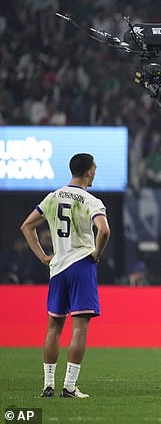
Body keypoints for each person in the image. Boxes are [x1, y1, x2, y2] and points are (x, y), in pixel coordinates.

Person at [20, 153, 111, 398]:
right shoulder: (90, 200)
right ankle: (69, 387)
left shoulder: (53, 197)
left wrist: (42, 256)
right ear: (89, 172)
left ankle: (48, 384)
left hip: (57, 268)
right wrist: (97, 253)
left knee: (53, 328)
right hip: (81, 265)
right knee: (79, 329)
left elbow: (27, 225)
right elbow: (103, 230)